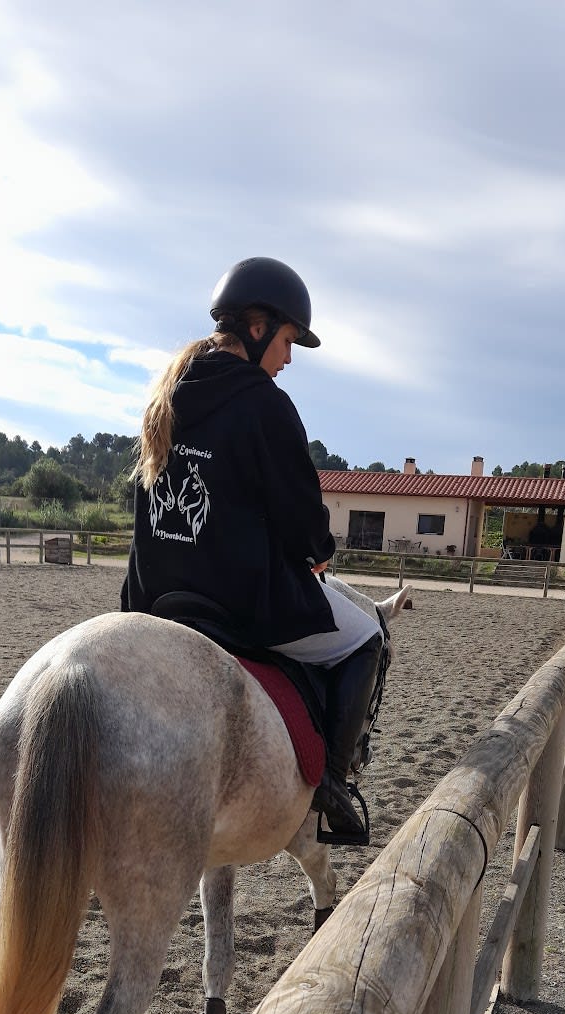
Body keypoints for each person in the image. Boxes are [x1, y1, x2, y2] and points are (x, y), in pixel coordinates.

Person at [120, 256, 384, 845]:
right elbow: (296, 509)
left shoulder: (165, 397)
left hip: (155, 598)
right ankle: (332, 787)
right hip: (237, 603)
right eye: (288, 340)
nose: (288, 359)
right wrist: (320, 548)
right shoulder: (265, 403)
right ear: (259, 327)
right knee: (365, 637)